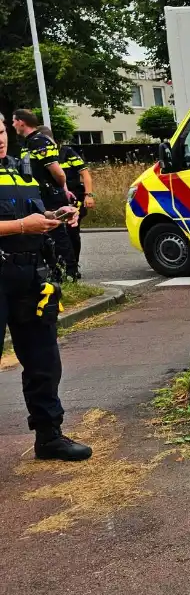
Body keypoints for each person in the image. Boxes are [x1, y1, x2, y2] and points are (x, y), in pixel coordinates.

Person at [0, 115, 92, 461]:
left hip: (29, 275)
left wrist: (55, 214)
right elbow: (20, 222)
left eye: (1, 131)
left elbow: (29, 216)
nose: (0, 139)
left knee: (44, 361)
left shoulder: (19, 169)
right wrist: (23, 224)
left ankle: (49, 436)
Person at [10, 110, 77, 282]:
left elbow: (58, 172)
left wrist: (59, 188)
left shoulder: (39, 140)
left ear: (21, 122)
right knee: (44, 235)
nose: (12, 125)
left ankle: (70, 272)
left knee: (58, 234)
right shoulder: (28, 142)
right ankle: (53, 271)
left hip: (49, 194)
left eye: (13, 121)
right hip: (36, 194)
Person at [38, 126, 94, 279]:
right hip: (50, 199)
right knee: (52, 235)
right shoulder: (39, 155)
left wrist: (89, 195)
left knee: (72, 234)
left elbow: (85, 174)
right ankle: (58, 266)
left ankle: (73, 265)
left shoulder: (66, 152)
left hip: (72, 199)